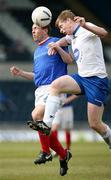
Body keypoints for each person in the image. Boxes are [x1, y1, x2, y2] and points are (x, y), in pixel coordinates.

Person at [33, 10, 111, 150]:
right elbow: (64, 40)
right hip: (82, 77)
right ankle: (47, 125)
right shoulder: (72, 36)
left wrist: (85, 25)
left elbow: (104, 33)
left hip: (97, 81)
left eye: (62, 26)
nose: (62, 31)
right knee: (56, 85)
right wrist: (56, 45)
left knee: (94, 124)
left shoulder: (86, 28)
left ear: (69, 21)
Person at [10, 22, 74, 176]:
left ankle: (45, 152)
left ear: (45, 29)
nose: (32, 31)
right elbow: (37, 77)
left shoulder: (56, 41)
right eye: (31, 29)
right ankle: (64, 155)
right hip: (40, 91)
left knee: (36, 115)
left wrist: (57, 47)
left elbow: (69, 60)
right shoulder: (37, 51)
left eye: (35, 28)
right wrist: (21, 73)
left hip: (55, 88)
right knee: (44, 128)